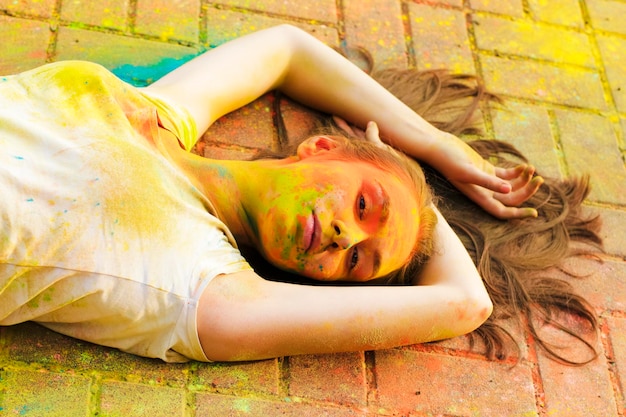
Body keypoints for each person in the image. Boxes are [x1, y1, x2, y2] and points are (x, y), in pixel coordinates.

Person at [0, 25, 600, 363]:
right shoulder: (159, 112)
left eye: (357, 263)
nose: (347, 237)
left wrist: (422, 203)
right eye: (366, 206)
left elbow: (463, 303)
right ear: (321, 149)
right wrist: (425, 142)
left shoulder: (201, 288)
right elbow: (286, 50)